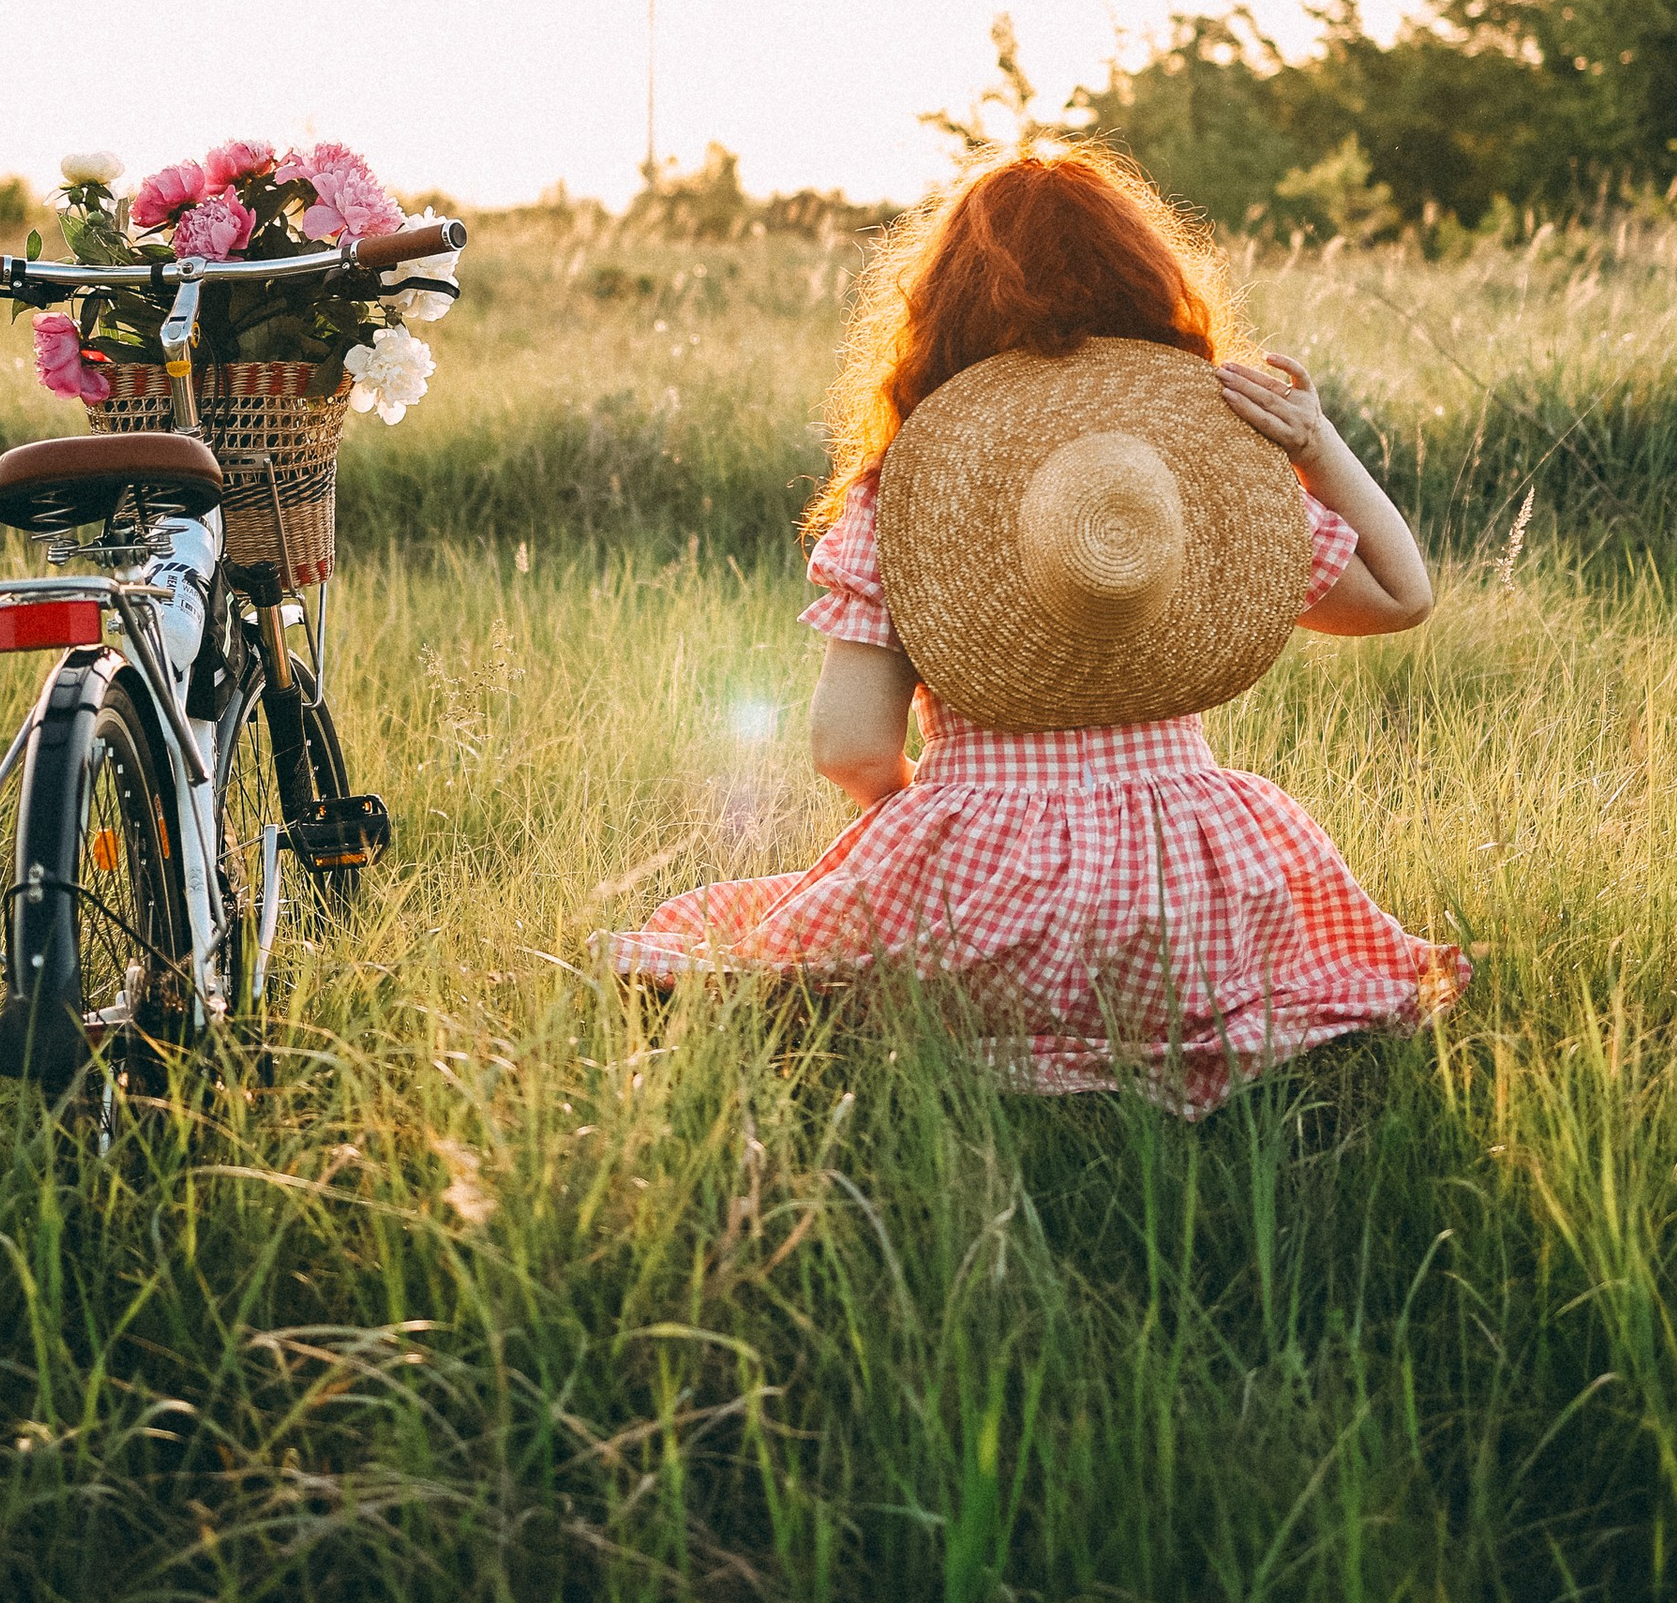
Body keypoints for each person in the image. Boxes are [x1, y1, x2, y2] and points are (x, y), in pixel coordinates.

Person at [607, 150, 1466, 1110]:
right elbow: (1403, 597)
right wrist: (1316, 445)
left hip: (982, 904)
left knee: (745, 942)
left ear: (941, 318)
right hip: (1195, 899)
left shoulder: (908, 500)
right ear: (1151, 294)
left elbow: (847, 747)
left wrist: (919, 838)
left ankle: (975, 1030)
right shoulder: (1198, 477)